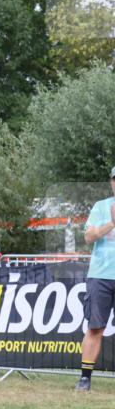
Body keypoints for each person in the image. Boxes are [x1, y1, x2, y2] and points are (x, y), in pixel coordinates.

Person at [76, 166, 115, 393]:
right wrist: (111, 223)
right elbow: (89, 237)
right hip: (100, 276)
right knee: (95, 328)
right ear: (110, 182)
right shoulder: (100, 206)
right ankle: (84, 379)